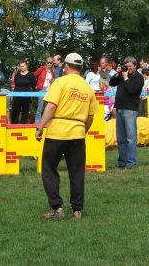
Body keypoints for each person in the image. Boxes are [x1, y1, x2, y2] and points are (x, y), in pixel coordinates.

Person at [35, 53, 98, 220]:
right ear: (81, 68)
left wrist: (40, 126)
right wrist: (83, 130)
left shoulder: (60, 82)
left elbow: (51, 107)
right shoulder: (87, 88)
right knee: (77, 172)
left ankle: (57, 208)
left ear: (66, 67)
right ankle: (77, 210)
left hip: (57, 132)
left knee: (49, 169)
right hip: (78, 133)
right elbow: (91, 117)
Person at [109, 56, 144, 168]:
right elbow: (112, 83)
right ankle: (122, 162)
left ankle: (131, 163)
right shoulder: (122, 75)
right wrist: (118, 73)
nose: (128, 68)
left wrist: (125, 78)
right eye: (126, 66)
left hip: (130, 109)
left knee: (130, 138)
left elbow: (131, 90)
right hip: (119, 108)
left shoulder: (139, 78)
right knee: (121, 139)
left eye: (130, 66)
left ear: (135, 66)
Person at [34, 57, 54, 123]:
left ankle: (46, 123)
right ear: (45, 63)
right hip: (41, 89)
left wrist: (52, 81)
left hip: (49, 90)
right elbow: (34, 76)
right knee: (40, 107)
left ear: (52, 64)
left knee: (48, 108)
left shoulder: (52, 71)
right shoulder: (41, 69)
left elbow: (53, 80)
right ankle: (37, 123)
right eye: (48, 62)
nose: (49, 64)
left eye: (50, 63)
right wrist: (36, 85)